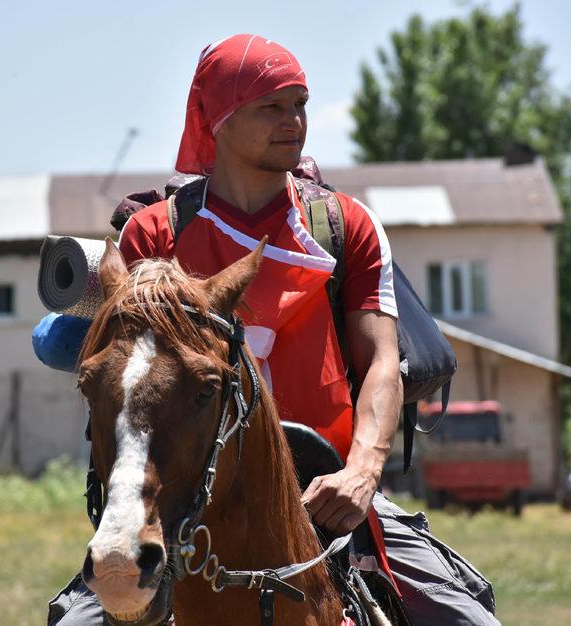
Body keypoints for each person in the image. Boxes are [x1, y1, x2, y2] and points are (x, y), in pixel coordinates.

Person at [47, 34, 498, 626]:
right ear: (219, 119)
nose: (295, 122)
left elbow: (383, 362)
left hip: (332, 492)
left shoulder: (347, 226)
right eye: (270, 106)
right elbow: (139, 385)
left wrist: (362, 472)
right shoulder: (154, 236)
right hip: (183, 500)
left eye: (300, 104)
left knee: (466, 620)